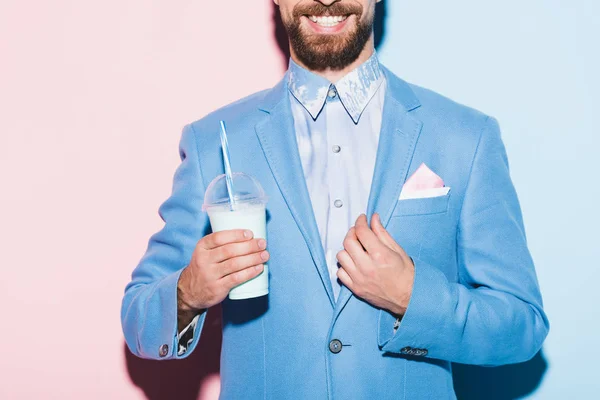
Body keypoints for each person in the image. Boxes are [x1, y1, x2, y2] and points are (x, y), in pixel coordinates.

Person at [121, 0, 549, 398]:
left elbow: (521, 325)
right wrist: (188, 293)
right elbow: (138, 318)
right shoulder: (213, 140)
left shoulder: (465, 137)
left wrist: (413, 298)